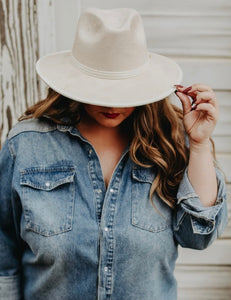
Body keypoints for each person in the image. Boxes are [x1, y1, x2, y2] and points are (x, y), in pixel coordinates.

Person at [0, 7, 227, 300]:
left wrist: (197, 145)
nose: (112, 104)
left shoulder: (169, 142)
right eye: (99, 89)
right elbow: (4, 259)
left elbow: (198, 236)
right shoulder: (27, 146)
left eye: (124, 89)